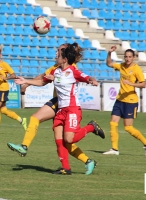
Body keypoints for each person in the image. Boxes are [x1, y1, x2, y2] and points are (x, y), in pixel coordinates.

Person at [8, 43, 105, 175]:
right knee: (59, 140)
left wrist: (92, 80)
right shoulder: (56, 70)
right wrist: (26, 81)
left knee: (69, 139)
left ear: (65, 59)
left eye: (59, 53)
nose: (56, 55)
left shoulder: (72, 70)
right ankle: (66, 168)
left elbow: (86, 77)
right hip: (60, 109)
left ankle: (91, 127)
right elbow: (42, 81)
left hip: (71, 108)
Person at [103, 46, 146, 155]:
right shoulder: (121, 66)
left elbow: (143, 84)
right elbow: (108, 64)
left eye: (129, 57)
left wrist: (131, 84)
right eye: (126, 57)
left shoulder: (136, 69)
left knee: (128, 127)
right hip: (120, 100)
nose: (127, 59)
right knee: (113, 123)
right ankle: (114, 149)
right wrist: (109, 53)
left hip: (131, 101)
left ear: (133, 58)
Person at [0, 47, 27, 134]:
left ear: (0, 55)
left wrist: (6, 78)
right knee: (3, 110)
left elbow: (13, 75)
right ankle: (21, 120)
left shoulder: (4, 65)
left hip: (4, 89)